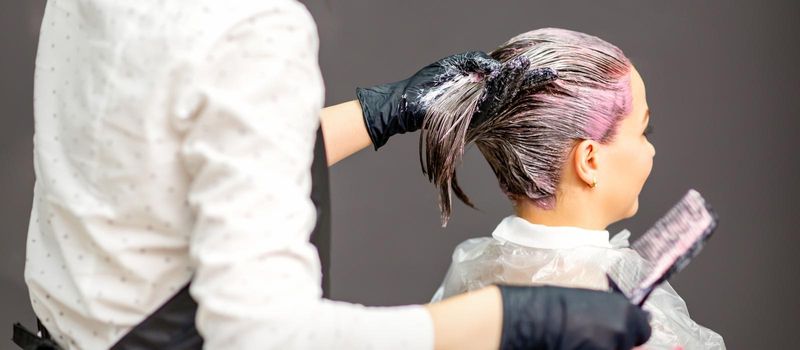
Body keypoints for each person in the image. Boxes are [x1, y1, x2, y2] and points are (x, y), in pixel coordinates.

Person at [17, 1, 650, 349]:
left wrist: (382, 112)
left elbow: (172, 159)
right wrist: (510, 321)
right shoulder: (246, 27)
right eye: (642, 130)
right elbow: (264, 338)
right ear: (587, 159)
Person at [416, 28, 725, 349]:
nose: (651, 149)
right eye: (644, 131)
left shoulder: (474, 272)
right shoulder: (600, 308)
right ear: (589, 161)